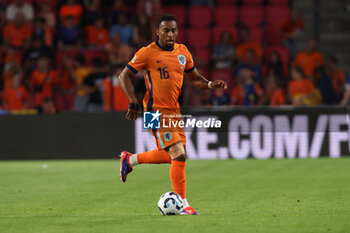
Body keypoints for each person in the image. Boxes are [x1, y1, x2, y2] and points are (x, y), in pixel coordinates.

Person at [118, 14, 227, 215]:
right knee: (179, 154)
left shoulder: (182, 52)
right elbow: (124, 75)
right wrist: (133, 101)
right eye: (166, 30)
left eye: (173, 30)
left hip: (174, 111)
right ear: (157, 32)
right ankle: (183, 205)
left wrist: (210, 84)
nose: (170, 34)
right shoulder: (147, 53)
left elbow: (195, 79)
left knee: (174, 157)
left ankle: (130, 159)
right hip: (154, 111)